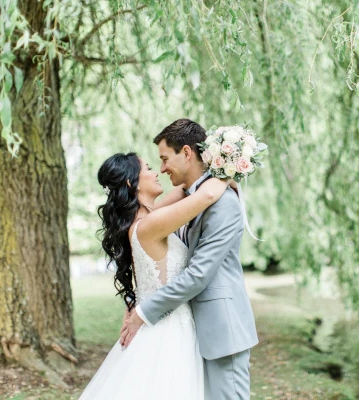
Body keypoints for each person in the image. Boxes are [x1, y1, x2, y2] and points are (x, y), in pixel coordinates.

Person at [119, 119, 258, 399]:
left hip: (223, 330)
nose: (161, 168)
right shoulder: (194, 198)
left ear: (186, 152)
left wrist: (144, 313)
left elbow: (198, 274)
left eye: (165, 159)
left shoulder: (222, 204)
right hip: (195, 331)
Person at [79, 151, 231, 399]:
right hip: (169, 330)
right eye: (148, 167)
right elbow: (209, 194)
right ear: (131, 182)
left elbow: (185, 190)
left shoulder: (144, 217)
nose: (157, 172)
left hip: (160, 321)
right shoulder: (151, 224)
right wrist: (232, 169)